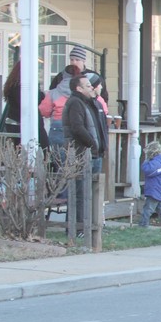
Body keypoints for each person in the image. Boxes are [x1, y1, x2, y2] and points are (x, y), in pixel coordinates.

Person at [62, 74, 108, 237]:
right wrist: (92, 144)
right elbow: (77, 128)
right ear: (78, 88)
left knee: (93, 193)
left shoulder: (92, 103)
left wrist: (101, 146)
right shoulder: (75, 103)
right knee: (80, 193)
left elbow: (99, 125)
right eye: (88, 85)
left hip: (95, 154)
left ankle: (92, 225)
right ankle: (77, 228)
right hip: (81, 154)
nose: (91, 88)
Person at [1, 60, 49, 150]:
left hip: (16, 122)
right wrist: (41, 94)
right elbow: (28, 102)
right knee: (45, 150)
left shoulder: (13, 85)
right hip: (24, 122)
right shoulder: (19, 87)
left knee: (18, 153)